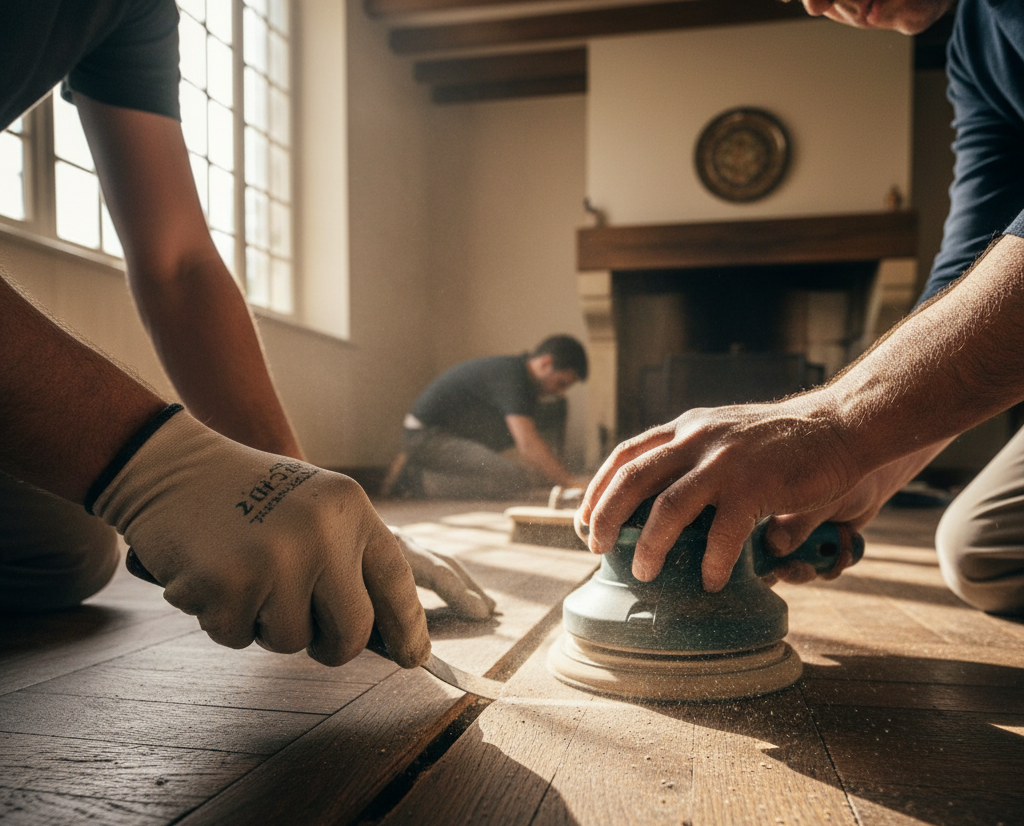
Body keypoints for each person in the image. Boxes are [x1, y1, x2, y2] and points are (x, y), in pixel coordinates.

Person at [1, 0, 491, 670]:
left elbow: (179, 263)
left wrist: (292, 491)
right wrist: (154, 468)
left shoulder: (137, 12)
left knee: (64, 551)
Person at [578, 0, 1024, 617]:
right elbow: (967, 280)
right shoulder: (974, 49)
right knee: (982, 551)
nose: (815, 4)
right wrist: (871, 468)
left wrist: (835, 428)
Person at [397, 334, 590, 499]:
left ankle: (423, 473)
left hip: (446, 435)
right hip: (426, 437)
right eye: (561, 383)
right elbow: (528, 445)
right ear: (545, 363)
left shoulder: (520, 375)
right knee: (511, 479)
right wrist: (571, 482)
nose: (559, 391)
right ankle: (415, 481)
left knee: (552, 411)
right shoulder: (513, 378)